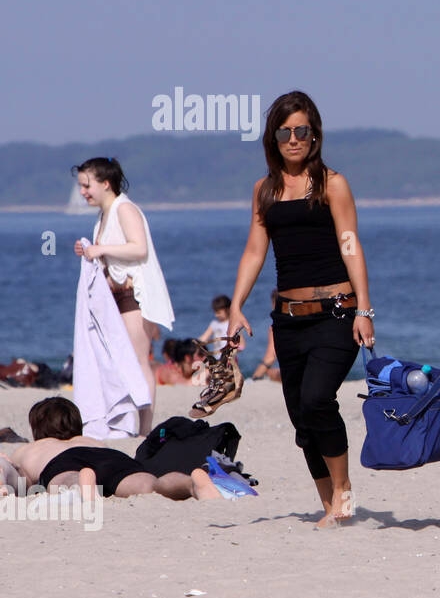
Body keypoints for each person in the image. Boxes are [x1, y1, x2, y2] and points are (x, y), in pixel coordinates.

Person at [226, 91, 375, 528]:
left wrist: (365, 310)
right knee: (300, 416)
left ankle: (343, 498)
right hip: (288, 320)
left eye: (301, 131)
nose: (294, 139)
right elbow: (255, 252)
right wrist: (236, 306)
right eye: (285, 132)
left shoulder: (333, 184)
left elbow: (350, 244)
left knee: (317, 399)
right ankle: (330, 505)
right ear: (273, 138)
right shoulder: (264, 190)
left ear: (315, 136)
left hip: (336, 312)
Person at [72, 157, 175, 434]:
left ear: (106, 184)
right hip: (116, 297)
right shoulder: (103, 216)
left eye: (87, 185)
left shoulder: (125, 208)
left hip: (134, 296)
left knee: (139, 361)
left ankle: (144, 429)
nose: (83, 191)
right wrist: (91, 253)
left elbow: (138, 248)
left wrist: (101, 250)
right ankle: (128, 423)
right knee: (120, 362)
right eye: (81, 186)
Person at [1, 397, 219, 501]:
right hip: (111, 457)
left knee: (66, 480)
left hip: (64, 461)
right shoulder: (90, 440)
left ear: (37, 429)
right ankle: (191, 483)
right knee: (151, 484)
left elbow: (19, 478)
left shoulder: (34, 448)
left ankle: (82, 485)